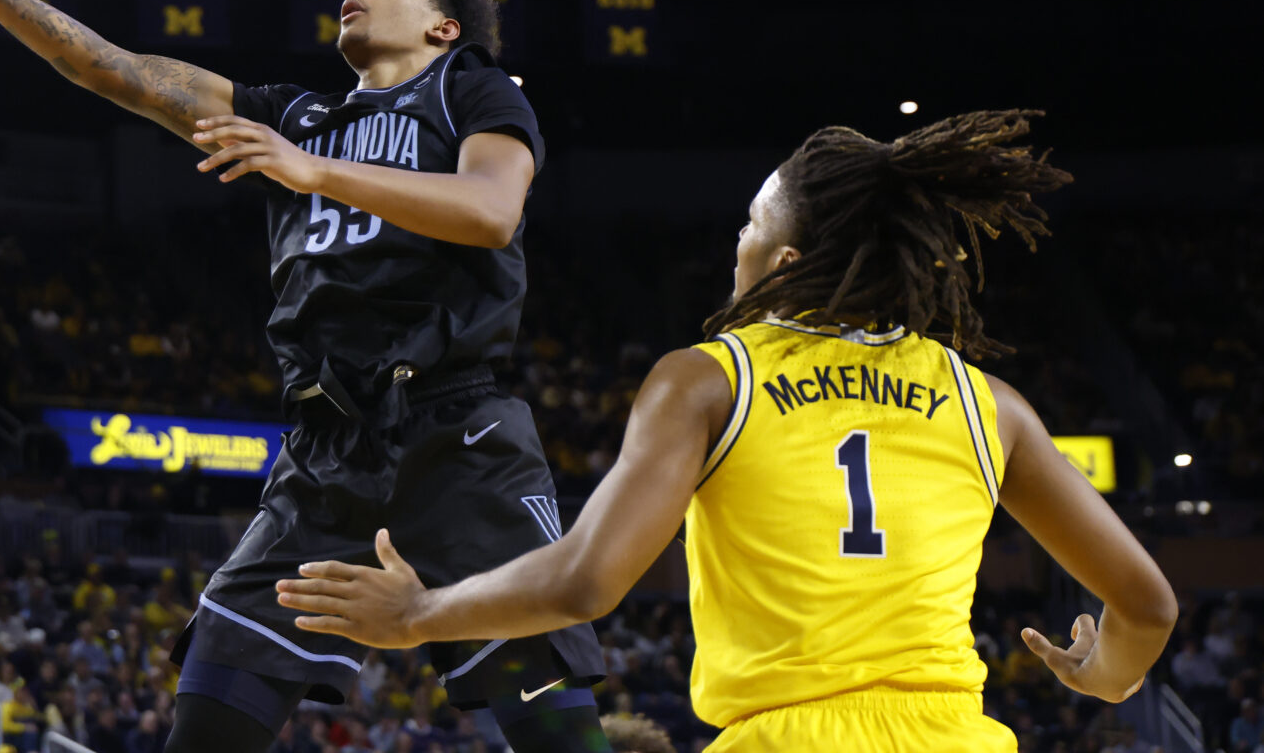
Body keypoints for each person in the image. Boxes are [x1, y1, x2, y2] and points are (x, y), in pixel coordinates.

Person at [0, 0, 604, 753]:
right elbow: (112, 70)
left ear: (444, 27)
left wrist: (313, 172)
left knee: (559, 737)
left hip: (459, 439)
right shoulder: (289, 117)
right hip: (325, 453)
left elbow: (490, 213)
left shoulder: (472, 89)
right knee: (206, 724)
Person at [275, 114, 1181, 751]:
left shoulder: (710, 377)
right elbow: (1146, 606)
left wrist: (421, 614)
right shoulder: (990, 403)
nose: (735, 242)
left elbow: (588, 578)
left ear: (784, 263)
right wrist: (1106, 678)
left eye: (749, 224)